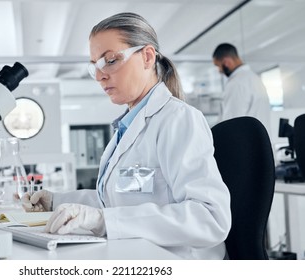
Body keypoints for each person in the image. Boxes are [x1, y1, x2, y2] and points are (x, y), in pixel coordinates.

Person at [23, 12, 231, 259]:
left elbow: (209, 218)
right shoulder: (127, 128)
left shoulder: (178, 119)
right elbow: (117, 202)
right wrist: (56, 202)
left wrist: (103, 221)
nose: (100, 75)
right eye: (95, 67)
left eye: (110, 60)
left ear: (147, 56)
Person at [212, 43, 271, 132]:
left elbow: (230, 123)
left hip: (245, 143)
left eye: (218, 66)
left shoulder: (236, 83)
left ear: (226, 62)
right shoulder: (254, 78)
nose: (219, 71)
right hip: (261, 141)